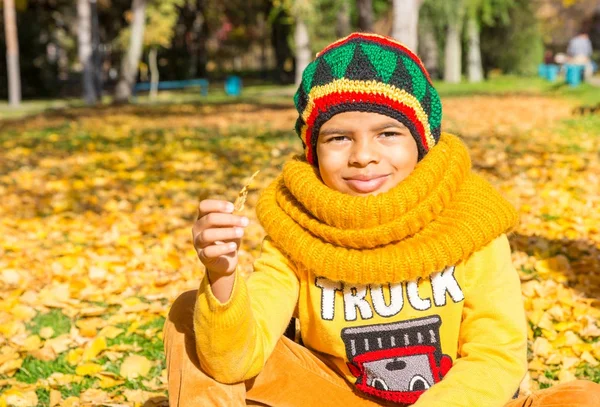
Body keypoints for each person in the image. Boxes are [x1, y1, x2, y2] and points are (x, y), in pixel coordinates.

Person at [163, 33, 600, 406]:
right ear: (314, 150)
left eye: (388, 133)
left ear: (422, 141)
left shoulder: (469, 219)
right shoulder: (294, 225)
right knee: (191, 316)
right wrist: (222, 277)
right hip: (334, 396)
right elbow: (233, 362)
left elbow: (497, 356)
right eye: (338, 137)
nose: (363, 155)